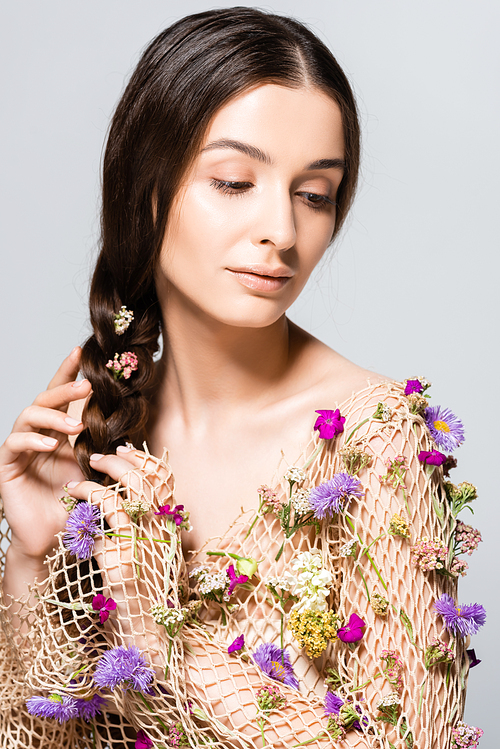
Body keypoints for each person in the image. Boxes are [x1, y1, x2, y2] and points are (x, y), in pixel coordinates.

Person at [0, 7, 484, 749]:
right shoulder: (103, 436)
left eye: (314, 194)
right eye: (234, 181)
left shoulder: (375, 444)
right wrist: (34, 559)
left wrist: (160, 651)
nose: (283, 233)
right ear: (147, 186)